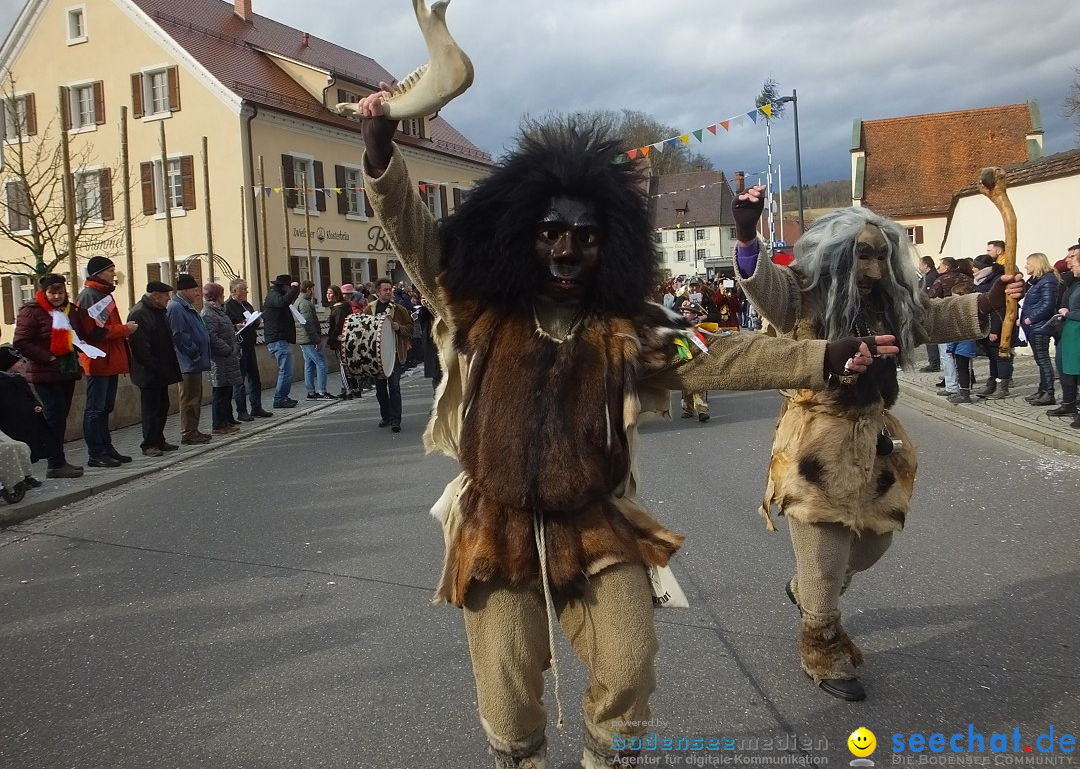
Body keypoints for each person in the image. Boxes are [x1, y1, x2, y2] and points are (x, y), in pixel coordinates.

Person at [359, 88, 895, 768]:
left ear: (608, 249)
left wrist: (823, 356)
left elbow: (725, 353)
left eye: (585, 239)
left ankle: (607, 760)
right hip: (496, 524)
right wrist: (382, 154)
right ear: (521, 235)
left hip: (595, 522)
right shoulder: (478, 309)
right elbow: (415, 235)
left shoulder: (630, 333)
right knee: (507, 687)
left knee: (631, 663)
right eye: (549, 233)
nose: (564, 252)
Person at [731, 185, 1022, 703]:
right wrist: (748, 235)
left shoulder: (889, 302)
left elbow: (930, 318)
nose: (872, 268)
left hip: (876, 435)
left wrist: (989, 300)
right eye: (862, 255)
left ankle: (806, 593)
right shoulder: (800, 293)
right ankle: (822, 644)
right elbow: (763, 285)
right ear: (837, 255)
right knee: (824, 549)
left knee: (874, 540)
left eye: (881, 256)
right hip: (815, 440)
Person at [13, 273, 86, 478]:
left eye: (60, 292)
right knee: (54, 416)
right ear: (44, 293)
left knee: (61, 417)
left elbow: (76, 334)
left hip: (67, 371)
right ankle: (54, 463)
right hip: (45, 372)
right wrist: (49, 358)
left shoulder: (69, 310)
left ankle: (59, 460)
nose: (57, 297)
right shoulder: (32, 312)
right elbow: (21, 342)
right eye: (52, 293)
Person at [76, 256, 138, 467]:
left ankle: (107, 448)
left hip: (109, 360)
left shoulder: (102, 295)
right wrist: (124, 329)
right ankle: (96, 452)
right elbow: (94, 332)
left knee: (104, 408)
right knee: (95, 408)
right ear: (99, 273)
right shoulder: (90, 296)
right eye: (110, 270)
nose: (114, 274)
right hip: (98, 361)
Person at [127, 282, 183, 456]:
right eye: (165, 295)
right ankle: (149, 443)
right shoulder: (140, 312)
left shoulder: (159, 311)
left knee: (162, 406)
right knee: (151, 409)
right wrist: (152, 366)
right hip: (148, 371)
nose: (168, 299)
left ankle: (159, 439)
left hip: (161, 368)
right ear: (155, 296)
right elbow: (140, 347)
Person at [167, 273, 212, 445]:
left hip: (193, 362)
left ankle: (193, 430)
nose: (197, 294)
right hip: (187, 362)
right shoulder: (177, 308)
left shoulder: (186, 306)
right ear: (185, 290)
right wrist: (194, 353)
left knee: (195, 398)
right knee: (189, 399)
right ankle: (188, 432)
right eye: (194, 290)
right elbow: (179, 336)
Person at [0, 343, 53, 488]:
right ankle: (19, 478)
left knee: (28, 448)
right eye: (17, 362)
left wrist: (36, 405)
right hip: (10, 423)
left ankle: (28, 474)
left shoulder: (19, 380)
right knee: (14, 450)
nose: (21, 363)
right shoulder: (4, 383)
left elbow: (30, 395)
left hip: (27, 420)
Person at [365, 278, 413, 432]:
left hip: (395, 354)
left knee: (394, 386)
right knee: (380, 389)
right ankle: (385, 416)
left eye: (390, 289)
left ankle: (395, 420)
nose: (388, 292)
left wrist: (399, 328)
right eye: (385, 290)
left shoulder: (399, 309)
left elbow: (411, 328)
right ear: (377, 292)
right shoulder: (370, 309)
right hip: (377, 356)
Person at [224, 279, 271, 422]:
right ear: (235, 291)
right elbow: (227, 326)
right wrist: (236, 325)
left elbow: (251, 320)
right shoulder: (228, 306)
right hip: (239, 347)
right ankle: (242, 410)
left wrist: (255, 321)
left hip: (250, 345)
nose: (246, 291)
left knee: (254, 378)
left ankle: (256, 406)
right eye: (244, 289)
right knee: (240, 381)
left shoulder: (246, 305)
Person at [1020, 253, 1063, 406]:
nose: (1026, 266)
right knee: (1040, 360)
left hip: (1041, 325)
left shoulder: (1048, 280)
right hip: (1035, 326)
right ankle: (1042, 389)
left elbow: (1048, 303)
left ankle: (1049, 393)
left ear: (1037, 264)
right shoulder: (1037, 281)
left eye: (1028, 263)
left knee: (1043, 360)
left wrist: (1031, 318)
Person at [927, 257, 973, 397]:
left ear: (946, 267)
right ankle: (965, 384)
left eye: (940, 267)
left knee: (947, 355)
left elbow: (931, 299)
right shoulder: (967, 279)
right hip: (968, 318)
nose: (938, 269)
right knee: (964, 359)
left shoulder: (941, 280)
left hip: (947, 319)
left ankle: (952, 386)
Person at [201, 282, 243, 435]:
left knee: (226, 392)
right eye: (221, 294)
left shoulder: (218, 311)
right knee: (219, 394)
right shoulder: (208, 313)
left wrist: (233, 331)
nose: (224, 296)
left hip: (227, 358)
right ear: (216, 296)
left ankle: (225, 422)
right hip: (219, 360)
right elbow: (211, 336)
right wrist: (227, 350)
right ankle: (218, 424)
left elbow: (224, 330)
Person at [971, 254, 1014, 399]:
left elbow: (999, 308)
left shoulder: (996, 281)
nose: (972, 270)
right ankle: (991, 384)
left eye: (975, 267)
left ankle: (1003, 387)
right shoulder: (979, 281)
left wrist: (995, 329)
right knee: (991, 356)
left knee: (1000, 356)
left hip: (996, 325)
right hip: (983, 324)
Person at [1047, 245, 1080, 422]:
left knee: (1075, 369)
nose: (1069, 261)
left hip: (1075, 332)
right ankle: (1068, 402)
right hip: (1066, 331)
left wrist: (1068, 313)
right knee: (1064, 367)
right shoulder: (1070, 279)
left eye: (1072, 257)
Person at [261, 274, 301, 409]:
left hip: (279, 338)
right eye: (288, 287)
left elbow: (287, 300)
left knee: (287, 370)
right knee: (286, 370)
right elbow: (284, 301)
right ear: (285, 286)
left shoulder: (276, 295)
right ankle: (279, 398)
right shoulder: (274, 296)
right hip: (277, 339)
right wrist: (294, 289)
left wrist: (294, 291)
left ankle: (283, 396)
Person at [295, 280, 332, 400]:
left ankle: (311, 392)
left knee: (309, 365)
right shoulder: (305, 304)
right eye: (312, 289)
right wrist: (317, 340)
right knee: (321, 363)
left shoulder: (299, 301)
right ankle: (322, 391)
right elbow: (308, 323)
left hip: (304, 338)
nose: (313, 292)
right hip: (309, 339)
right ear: (308, 289)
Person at [677, 299, 711, 421]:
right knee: (685, 386)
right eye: (684, 312)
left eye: (688, 312)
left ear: (695, 314)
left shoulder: (700, 327)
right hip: (685, 359)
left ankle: (702, 411)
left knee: (699, 385)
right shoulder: (679, 328)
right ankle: (688, 409)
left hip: (699, 360)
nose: (685, 314)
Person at [326, 284, 358, 399]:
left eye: (330, 293)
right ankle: (355, 388)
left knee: (343, 366)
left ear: (336, 294)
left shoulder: (339, 308)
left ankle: (348, 390)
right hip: (346, 338)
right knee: (349, 364)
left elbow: (339, 325)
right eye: (327, 293)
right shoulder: (342, 306)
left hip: (340, 340)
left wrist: (330, 339)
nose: (328, 295)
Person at [917, 256, 941, 371]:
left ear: (926, 265)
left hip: (930, 310)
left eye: (920, 264)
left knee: (930, 338)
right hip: (929, 310)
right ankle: (934, 362)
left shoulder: (931, 277)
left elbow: (927, 294)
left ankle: (934, 363)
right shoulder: (928, 276)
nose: (919, 266)